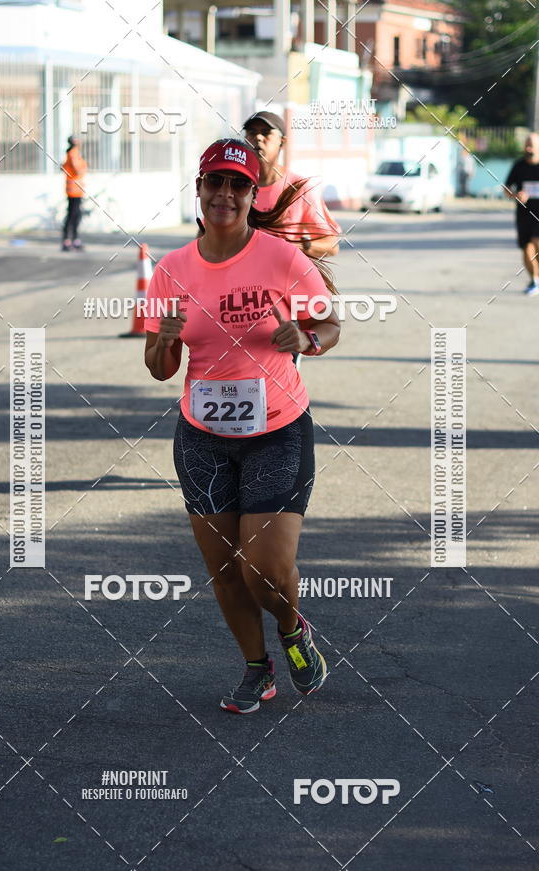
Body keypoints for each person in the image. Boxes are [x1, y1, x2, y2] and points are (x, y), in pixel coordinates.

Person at [143, 138, 341, 714]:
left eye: (238, 185)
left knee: (267, 570)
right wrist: (165, 336)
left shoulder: (282, 259)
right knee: (226, 570)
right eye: (215, 183)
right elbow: (161, 371)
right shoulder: (172, 270)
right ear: (199, 190)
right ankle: (258, 670)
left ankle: (291, 627)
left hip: (277, 429)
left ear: (254, 196)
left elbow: (330, 325)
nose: (225, 194)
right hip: (202, 438)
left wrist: (307, 338)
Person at [243, 110, 341, 259]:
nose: (258, 137)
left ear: (282, 141)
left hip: (284, 279)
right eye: (252, 132)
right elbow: (206, 235)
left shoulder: (299, 188)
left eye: (266, 132)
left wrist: (298, 246)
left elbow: (331, 245)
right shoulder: (235, 185)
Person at [504, 132, 539, 295]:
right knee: (526, 248)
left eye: (531, 145)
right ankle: (535, 280)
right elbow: (506, 188)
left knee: (536, 242)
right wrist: (515, 195)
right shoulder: (519, 166)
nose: (528, 148)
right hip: (524, 214)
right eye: (526, 145)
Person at [61, 136, 87, 251]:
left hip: (77, 190)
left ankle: (74, 240)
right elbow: (77, 170)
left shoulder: (72, 153)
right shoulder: (73, 153)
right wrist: (84, 167)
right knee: (72, 215)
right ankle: (67, 241)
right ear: (75, 142)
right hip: (73, 190)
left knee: (76, 215)